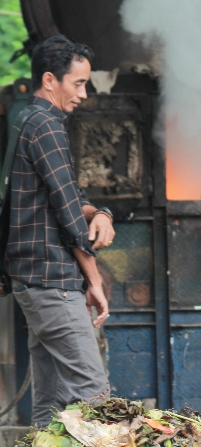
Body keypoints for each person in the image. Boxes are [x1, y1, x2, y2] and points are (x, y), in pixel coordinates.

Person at [6, 34, 116, 425]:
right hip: (52, 281)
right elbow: (70, 218)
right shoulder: (46, 126)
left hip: (34, 280)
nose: (84, 94)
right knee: (96, 397)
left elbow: (68, 195)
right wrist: (95, 281)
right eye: (79, 83)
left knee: (51, 405)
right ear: (50, 80)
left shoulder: (27, 120)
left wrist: (100, 212)